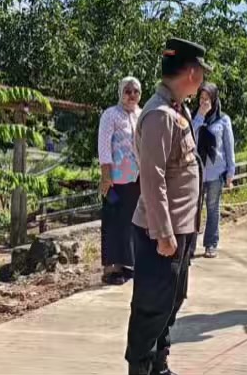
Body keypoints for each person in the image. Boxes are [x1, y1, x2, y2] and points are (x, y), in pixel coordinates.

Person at [125, 38, 210, 375]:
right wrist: (162, 233)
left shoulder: (178, 109)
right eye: (202, 72)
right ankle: (141, 369)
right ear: (191, 73)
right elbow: (152, 177)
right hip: (160, 232)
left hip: (180, 227)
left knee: (172, 300)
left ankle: (159, 365)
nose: (202, 79)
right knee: (151, 307)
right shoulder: (159, 115)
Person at [97, 76, 142, 286]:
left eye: (135, 91)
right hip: (115, 180)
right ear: (121, 93)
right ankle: (111, 268)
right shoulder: (110, 115)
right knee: (113, 222)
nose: (132, 95)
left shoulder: (141, 115)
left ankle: (128, 264)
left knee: (131, 222)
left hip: (137, 178)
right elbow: (104, 147)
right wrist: (106, 175)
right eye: (127, 91)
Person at [191, 82, 235, 259]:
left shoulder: (223, 119)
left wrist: (230, 171)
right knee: (193, 210)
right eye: (201, 98)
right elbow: (189, 138)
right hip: (196, 172)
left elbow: (229, 146)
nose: (204, 102)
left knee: (212, 208)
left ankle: (210, 244)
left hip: (216, 172)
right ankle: (189, 246)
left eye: (207, 99)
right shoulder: (193, 117)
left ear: (214, 99)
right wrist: (200, 116)